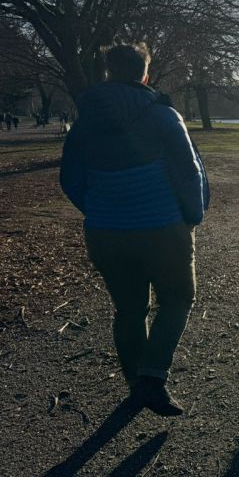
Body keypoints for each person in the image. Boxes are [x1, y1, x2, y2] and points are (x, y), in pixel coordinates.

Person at [60, 42, 209, 416]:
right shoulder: (163, 115)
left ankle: (136, 385)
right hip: (162, 227)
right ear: (145, 73)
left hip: (106, 234)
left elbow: (70, 179)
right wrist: (193, 215)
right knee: (177, 299)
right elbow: (190, 173)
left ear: (109, 73)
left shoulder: (86, 121)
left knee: (129, 308)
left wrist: (101, 208)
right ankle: (152, 379)